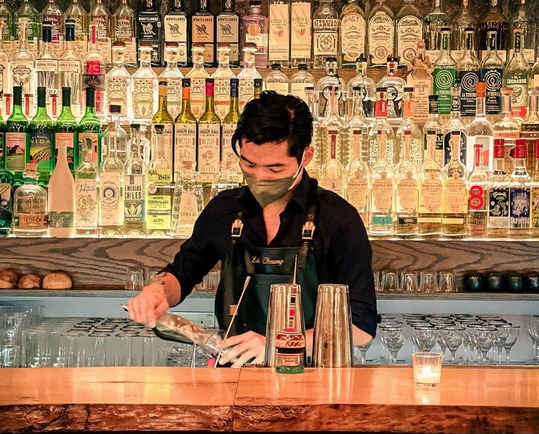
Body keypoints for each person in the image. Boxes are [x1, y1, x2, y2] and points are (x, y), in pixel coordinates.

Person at [126, 91, 378, 367]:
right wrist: (156, 291)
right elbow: (181, 275)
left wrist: (278, 342)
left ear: (305, 156)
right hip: (232, 373)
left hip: (313, 380)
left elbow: (361, 329)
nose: (259, 177)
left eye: (275, 168)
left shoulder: (338, 218)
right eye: (249, 164)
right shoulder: (224, 209)